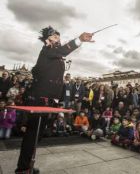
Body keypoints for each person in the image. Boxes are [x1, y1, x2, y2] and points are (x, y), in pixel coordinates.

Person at [15, 26, 94, 174]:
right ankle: (23, 168)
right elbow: (62, 50)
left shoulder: (55, 55)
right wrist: (79, 39)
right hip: (39, 100)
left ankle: (28, 165)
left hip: (49, 100)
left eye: (59, 36)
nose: (58, 39)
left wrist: (58, 99)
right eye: (55, 37)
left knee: (38, 135)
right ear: (47, 40)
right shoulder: (47, 50)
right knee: (32, 135)